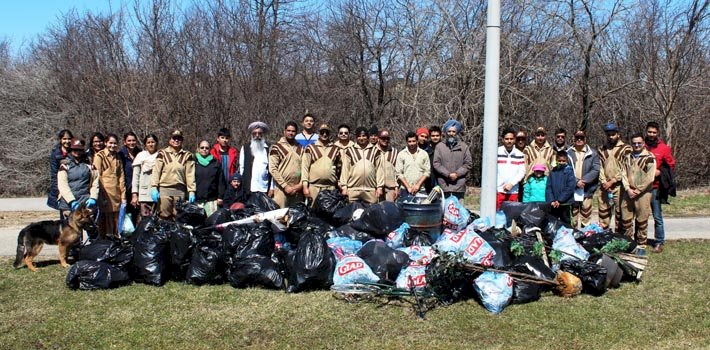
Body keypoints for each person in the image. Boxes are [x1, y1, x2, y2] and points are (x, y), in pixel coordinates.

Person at [620, 133, 657, 256]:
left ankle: (641, 244)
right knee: (626, 220)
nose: (636, 145)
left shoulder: (649, 157)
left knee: (642, 220)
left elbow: (650, 177)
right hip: (628, 192)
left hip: (643, 194)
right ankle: (628, 244)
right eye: (634, 143)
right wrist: (627, 189)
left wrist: (638, 190)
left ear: (643, 143)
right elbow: (623, 173)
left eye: (639, 143)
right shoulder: (627, 157)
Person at [150, 129, 196, 220]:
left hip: (180, 190)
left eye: (179, 138)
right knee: (163, 216)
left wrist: (191, 191)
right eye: (174, 138)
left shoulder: (187, 155)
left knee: (178, 216)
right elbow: (156, 171)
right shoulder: (162, 153)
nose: (176, 140)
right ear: (169, 140)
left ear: (182, 140)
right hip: (164, 189)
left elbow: (190, 174)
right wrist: (154, 187)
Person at [645, 121, 675, 253]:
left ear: (657, 133)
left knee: (657, 216)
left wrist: (660, 172)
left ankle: (659, 241)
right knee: (640, 215)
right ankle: (639, 239)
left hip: (655, 187)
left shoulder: (663, 148)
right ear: (646, 132)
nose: (651, 134)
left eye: (654, 132)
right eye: (649, 132)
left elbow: (671, 165)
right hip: (641, 187)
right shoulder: (641, 145)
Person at [57, 139, 99, 231]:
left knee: (92, 229)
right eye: (75, 150)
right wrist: (72, 201)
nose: (77, 152)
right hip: (68, 204)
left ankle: (93, 244)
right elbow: (62, 185)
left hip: (85, 201)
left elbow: (95, 182)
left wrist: (93, 197)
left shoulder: (89, 164)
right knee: (71, 233)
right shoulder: (64, 165)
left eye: (80, 150)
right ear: (70, 150)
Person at [597, 123, 631, 233]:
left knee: (620, 213)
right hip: (605, 187)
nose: (611, 137)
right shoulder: (602, 149)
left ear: (618, 134)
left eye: (613, 134)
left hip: (619, 186)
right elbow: (600, 167)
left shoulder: (626, 148)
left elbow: (626, 168)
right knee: (603, 212)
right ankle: (603, 236)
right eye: (608, 134)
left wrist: (613, 181)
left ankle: (620, 238)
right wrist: (603, 181)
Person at [340, 127, 384, 204]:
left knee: (371, 213)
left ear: (367, 137)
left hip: (370, 190)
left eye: (364, 136)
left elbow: (379, 170)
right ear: (356, 138)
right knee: (351, 214)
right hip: (353, 189)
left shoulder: (375, 151)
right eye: (359, 136)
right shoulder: (350, 150)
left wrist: (379, 187)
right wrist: (344, 187)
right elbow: (345, 169)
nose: (361, 138)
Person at [93, 134, 126, 237]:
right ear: (106, 143)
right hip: (105, 195)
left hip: (116, 195)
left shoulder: (118, 157)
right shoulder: (99, 156)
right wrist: (101, 195)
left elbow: (121, 177)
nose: (112, 145)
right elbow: (96, 176)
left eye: (115, 143)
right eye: (110, 143)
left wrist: (123, 195)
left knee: (116, 222)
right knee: (105, 222)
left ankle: (115, 243)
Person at [567, 130, 600, 228]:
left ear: (585, 139)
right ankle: (573, 236)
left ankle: (585, 237)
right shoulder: (568, 153)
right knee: (573, 215)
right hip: (573, 189)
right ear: (574, 138)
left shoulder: (593, 153)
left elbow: (596, 169)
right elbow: (566, 170)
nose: (579, 139)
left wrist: (583, 181)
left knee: (586, 214)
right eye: (577, 137)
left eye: (581, 138)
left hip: (587, 189)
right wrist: (576, 182)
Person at [433, 119, 472, 199]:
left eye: (453, 132)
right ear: (446, 132)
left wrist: (457, 174)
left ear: (457, 132)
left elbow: (468, 163)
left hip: (459, 186)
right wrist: (447, 174)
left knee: (458, 210)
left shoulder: (464, 147)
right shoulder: (439, 147)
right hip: (444, 186)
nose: (451, 134)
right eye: (449, 131)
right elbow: (436, 163)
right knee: (444, 210)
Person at [302, 124, 341, 204]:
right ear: (318, 133)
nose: (324, 134)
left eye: (326, 132)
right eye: (322, 132)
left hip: (331, 188)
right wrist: (305, 186)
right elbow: (305, 167)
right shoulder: (311, 147)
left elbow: (339, 168)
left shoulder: (335, 149)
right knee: (313, 213)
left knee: (329, 213)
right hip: (314, 187)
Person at [269, 121, 304, 208]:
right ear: (284, 131)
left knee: (296, 216)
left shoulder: (301, 148)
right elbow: (272, 169)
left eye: (293, 131)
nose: (290, 133)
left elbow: (305, 167)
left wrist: (300, 185)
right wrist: (285, 186)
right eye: (288, 130)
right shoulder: (276, 147)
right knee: (280, 217)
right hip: (281, 188)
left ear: (296, 133)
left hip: (297, 190)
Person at [239, 121, 272, 198]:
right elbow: (242, 167)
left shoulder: (269, 148)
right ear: (251, 134)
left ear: (263, 134)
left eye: (259, 133)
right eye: (255, 133)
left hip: (264, 188)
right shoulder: (245, 148)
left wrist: (272, 187)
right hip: (249, 189)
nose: (257, 135)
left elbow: (272, 169)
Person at [495, 128, 526, 209]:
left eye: (511, 139)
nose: (509, 141)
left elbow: (522, 172)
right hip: (498, 191)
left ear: (514, 140)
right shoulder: (496, 152)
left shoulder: (519, 154)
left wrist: (511, 184)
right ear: (502, 140)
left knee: (509, 217)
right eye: (507, 139)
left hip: (513, 191)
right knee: (497, 216)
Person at [131, 134, 159, 218]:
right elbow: (135, 177)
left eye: (153, 142)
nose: (151, 144)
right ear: (145, 144)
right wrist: (134, 194)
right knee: (145, 221)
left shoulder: (161, 155)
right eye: (148, 142)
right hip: (144, 194)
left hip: (157, 193)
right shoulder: (140, 156)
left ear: (156, 143)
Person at [546, 151, 577, 225]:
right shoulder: (553, 172)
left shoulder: (569, 171)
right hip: (554, 204)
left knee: (566, 222)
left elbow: (570, 188)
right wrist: (552, 200)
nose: (561, 162)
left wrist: (560, 200)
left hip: (565, 203)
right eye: (559, 161)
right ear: (556, 160)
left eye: (563, 161)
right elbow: (549, 187)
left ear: (567, 161)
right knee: (553, 222)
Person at [395, 131, 430, 197]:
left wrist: (418, 185)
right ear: (406, 142)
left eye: (413, 141)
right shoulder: (401, 154)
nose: (412, 143)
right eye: (409, 141)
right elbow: (399, 173)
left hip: (420, 189)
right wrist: (408, 187)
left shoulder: (424, 154)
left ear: (417, 141)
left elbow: (427, 172)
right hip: (405, 190)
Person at [195, 140, 225, 216]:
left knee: (211, 223)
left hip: (212, 200)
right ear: (198, 149)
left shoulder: (216, 163)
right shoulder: (193, 162)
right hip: (196, 200)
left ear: (210, 149)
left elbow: (221, 181)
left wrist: (220, 197)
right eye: (202, 147)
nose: (204, 149)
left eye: (207, 148)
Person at [210, 127, 238, 205]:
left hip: (229, 184)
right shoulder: (212, 152)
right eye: (222, 138)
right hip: (216, 185)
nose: (224, 140)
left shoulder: (233, 152)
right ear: (218, 139)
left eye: (226, 138)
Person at [118, 132, 141, 226]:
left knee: (136, 215)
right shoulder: (121, 155)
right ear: (125, 142)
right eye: (129, 141)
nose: (131, 143)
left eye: (133, 140)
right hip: (125, 189)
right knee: (125, 215)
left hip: (137, 189)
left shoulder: (140, 153)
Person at [48, 129, 74, 211]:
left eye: (69, 139)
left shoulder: (75, 151)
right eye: (64, 139)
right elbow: (54, 174)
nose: (67, 141)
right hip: (62, 186)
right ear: (60, 140)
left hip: (74, 185)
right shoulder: (55, 154)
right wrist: (57, 191)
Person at [375, 129, 399, 201]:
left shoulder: (394, 151)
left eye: (387, 138)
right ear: (378, 138)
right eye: (383, 138)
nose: (385, 140)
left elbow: (397, 171)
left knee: (390, 209)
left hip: (390, 187)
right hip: (377, 187)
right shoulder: (373, 150)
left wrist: (396, 187)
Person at [426, 126, 442, 191]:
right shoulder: (426, 147)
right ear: (430, 136)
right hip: (429, 177)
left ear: (441, 136)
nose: (435, 137)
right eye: (433, 136)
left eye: (437, 135)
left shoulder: (445, 146)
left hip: (441, 177)